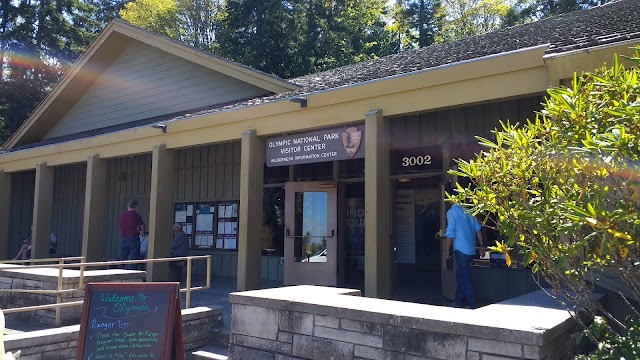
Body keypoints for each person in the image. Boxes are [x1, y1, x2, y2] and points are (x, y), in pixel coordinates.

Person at [444, 203, 484, 309]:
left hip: (460, 248)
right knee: (461, 275)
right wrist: (481, 245)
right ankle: (459, 301)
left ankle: (471, 303)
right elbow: (477, 228)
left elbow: (451, 232)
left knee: (464, 277)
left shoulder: (451, 212)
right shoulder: (469, 211)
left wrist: (447, 249)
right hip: (471, 248)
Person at [119, 200, 145, 270]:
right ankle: (133, 274)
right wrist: (142, 231)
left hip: (124, 238)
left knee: (122, 258)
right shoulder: (136, 215)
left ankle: (119, 272)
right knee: (134, 258)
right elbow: (141, 225)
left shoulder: (122, 215)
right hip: (133, 238)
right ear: (136, 207)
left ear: (128, 206)